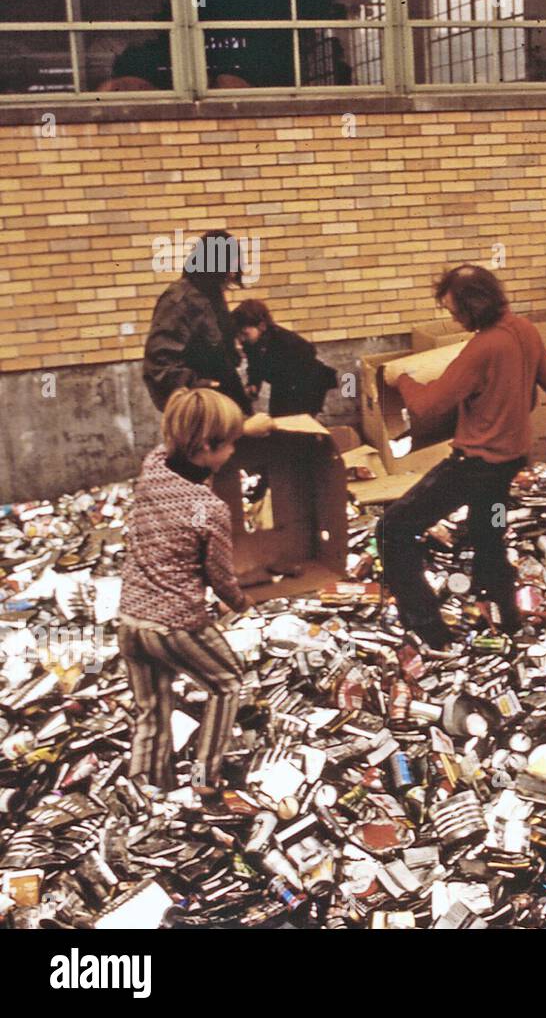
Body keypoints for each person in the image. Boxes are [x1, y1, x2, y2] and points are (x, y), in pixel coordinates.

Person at [378, 265, 546, 646]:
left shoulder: (483, 347)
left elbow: (427, 405)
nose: (454, 319)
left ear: (474, 306)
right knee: (488, 537)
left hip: (474, 466)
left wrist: (402, 379)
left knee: (393, 529)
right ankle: (508, 619)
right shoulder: (525, 330)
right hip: (509, 462)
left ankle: (427, 628)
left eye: (455, 311)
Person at [117, 388, 271, 797]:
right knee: (227, 683)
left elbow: (181, 442)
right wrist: (243, 603)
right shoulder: (208, 509)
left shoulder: (153, 467)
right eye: (230, 443)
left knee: (152, 711)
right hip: (176, 625)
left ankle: (147, 792)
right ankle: (204, 778)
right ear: (205, 447)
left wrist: (241, 427)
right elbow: (219, 577)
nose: (233, 451)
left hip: (131, 621)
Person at [143, 229, 251, 417]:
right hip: (202, 406)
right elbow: (160, 363)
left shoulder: (209, 295)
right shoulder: (179, 300)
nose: (233, 273)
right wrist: (198, 386)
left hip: (222, 400)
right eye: (231, 265)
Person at [232, 298, 339, 418]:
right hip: (283, 384)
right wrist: (253, 384)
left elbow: (309, 351)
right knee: (279, 417)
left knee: (297, 420)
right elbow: (255, 366)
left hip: (309, 384)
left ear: (262, 326)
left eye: (245, 334)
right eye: (238, 334)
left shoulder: (286, 341)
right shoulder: (251, 343)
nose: (241, 339)